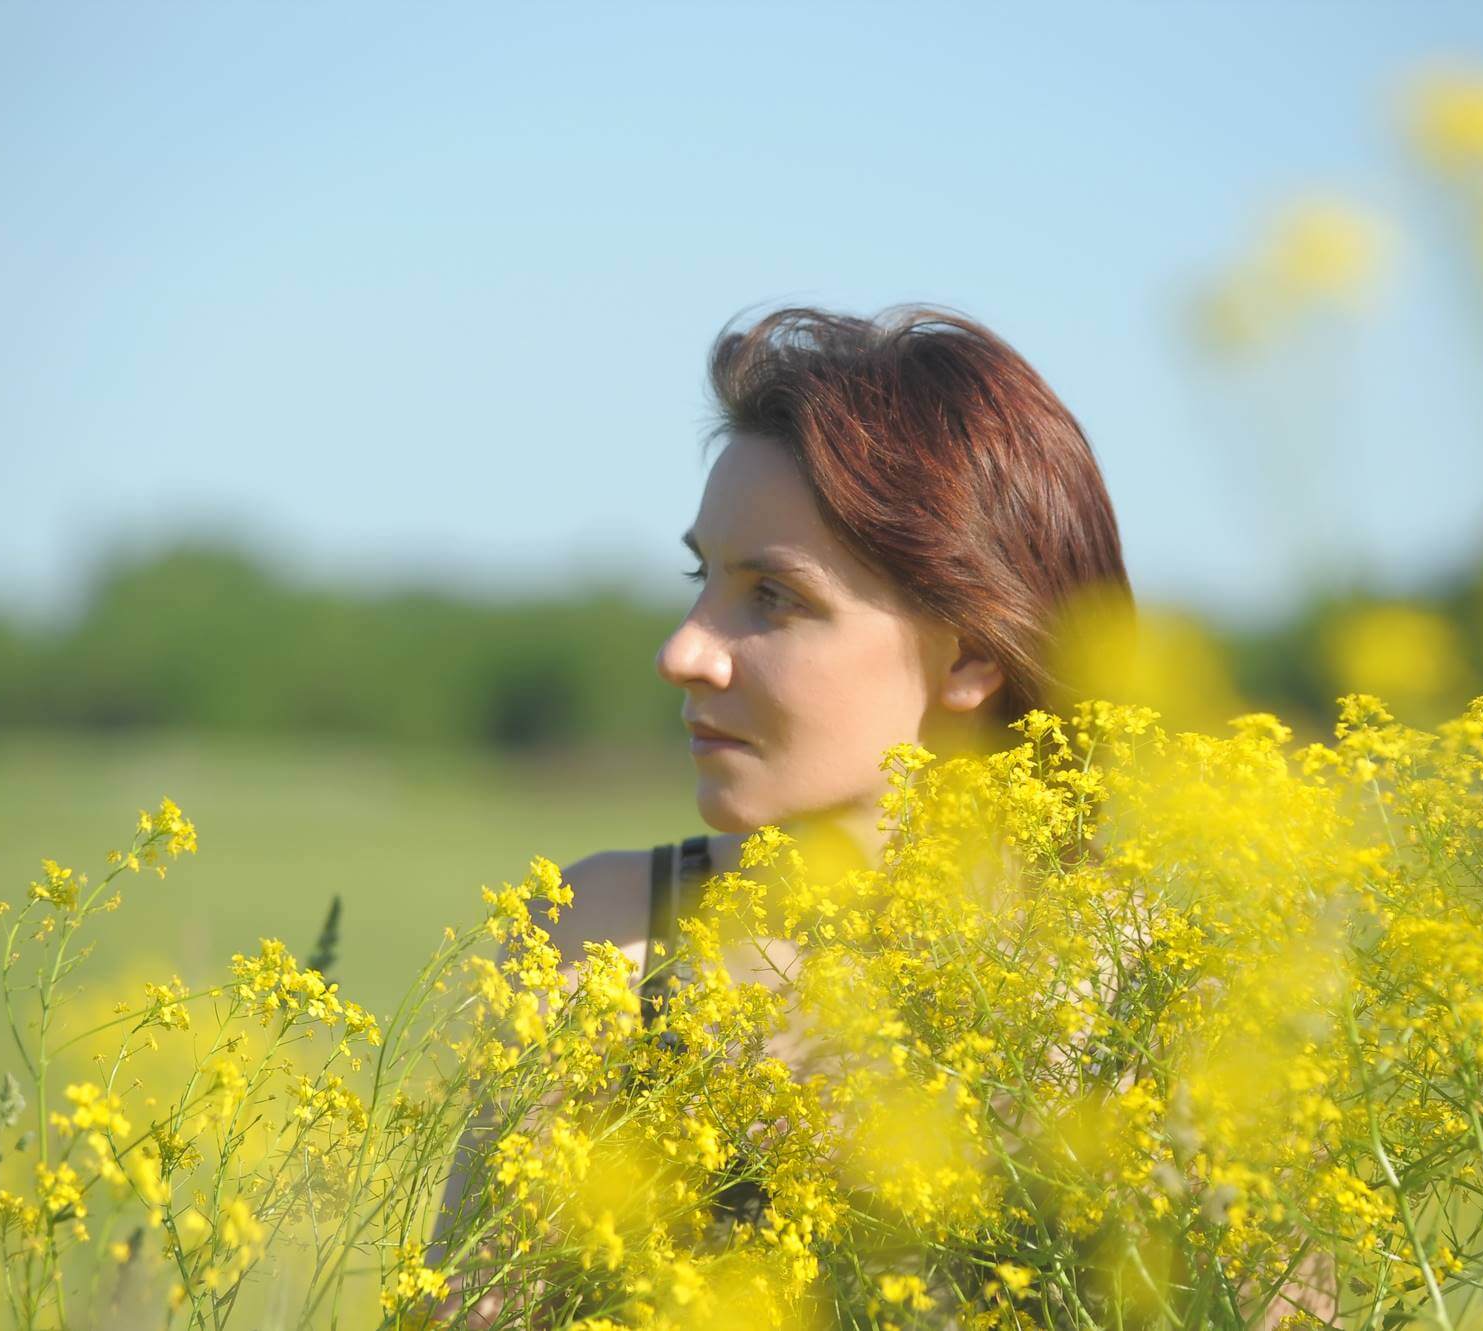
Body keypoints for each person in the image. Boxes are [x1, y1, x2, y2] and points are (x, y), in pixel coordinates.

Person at [432, 303, 1132, 1325]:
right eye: (701, 578)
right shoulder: (603, 945)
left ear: (973, 652)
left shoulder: (1153, 999)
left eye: (773, 597)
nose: (684, 650)